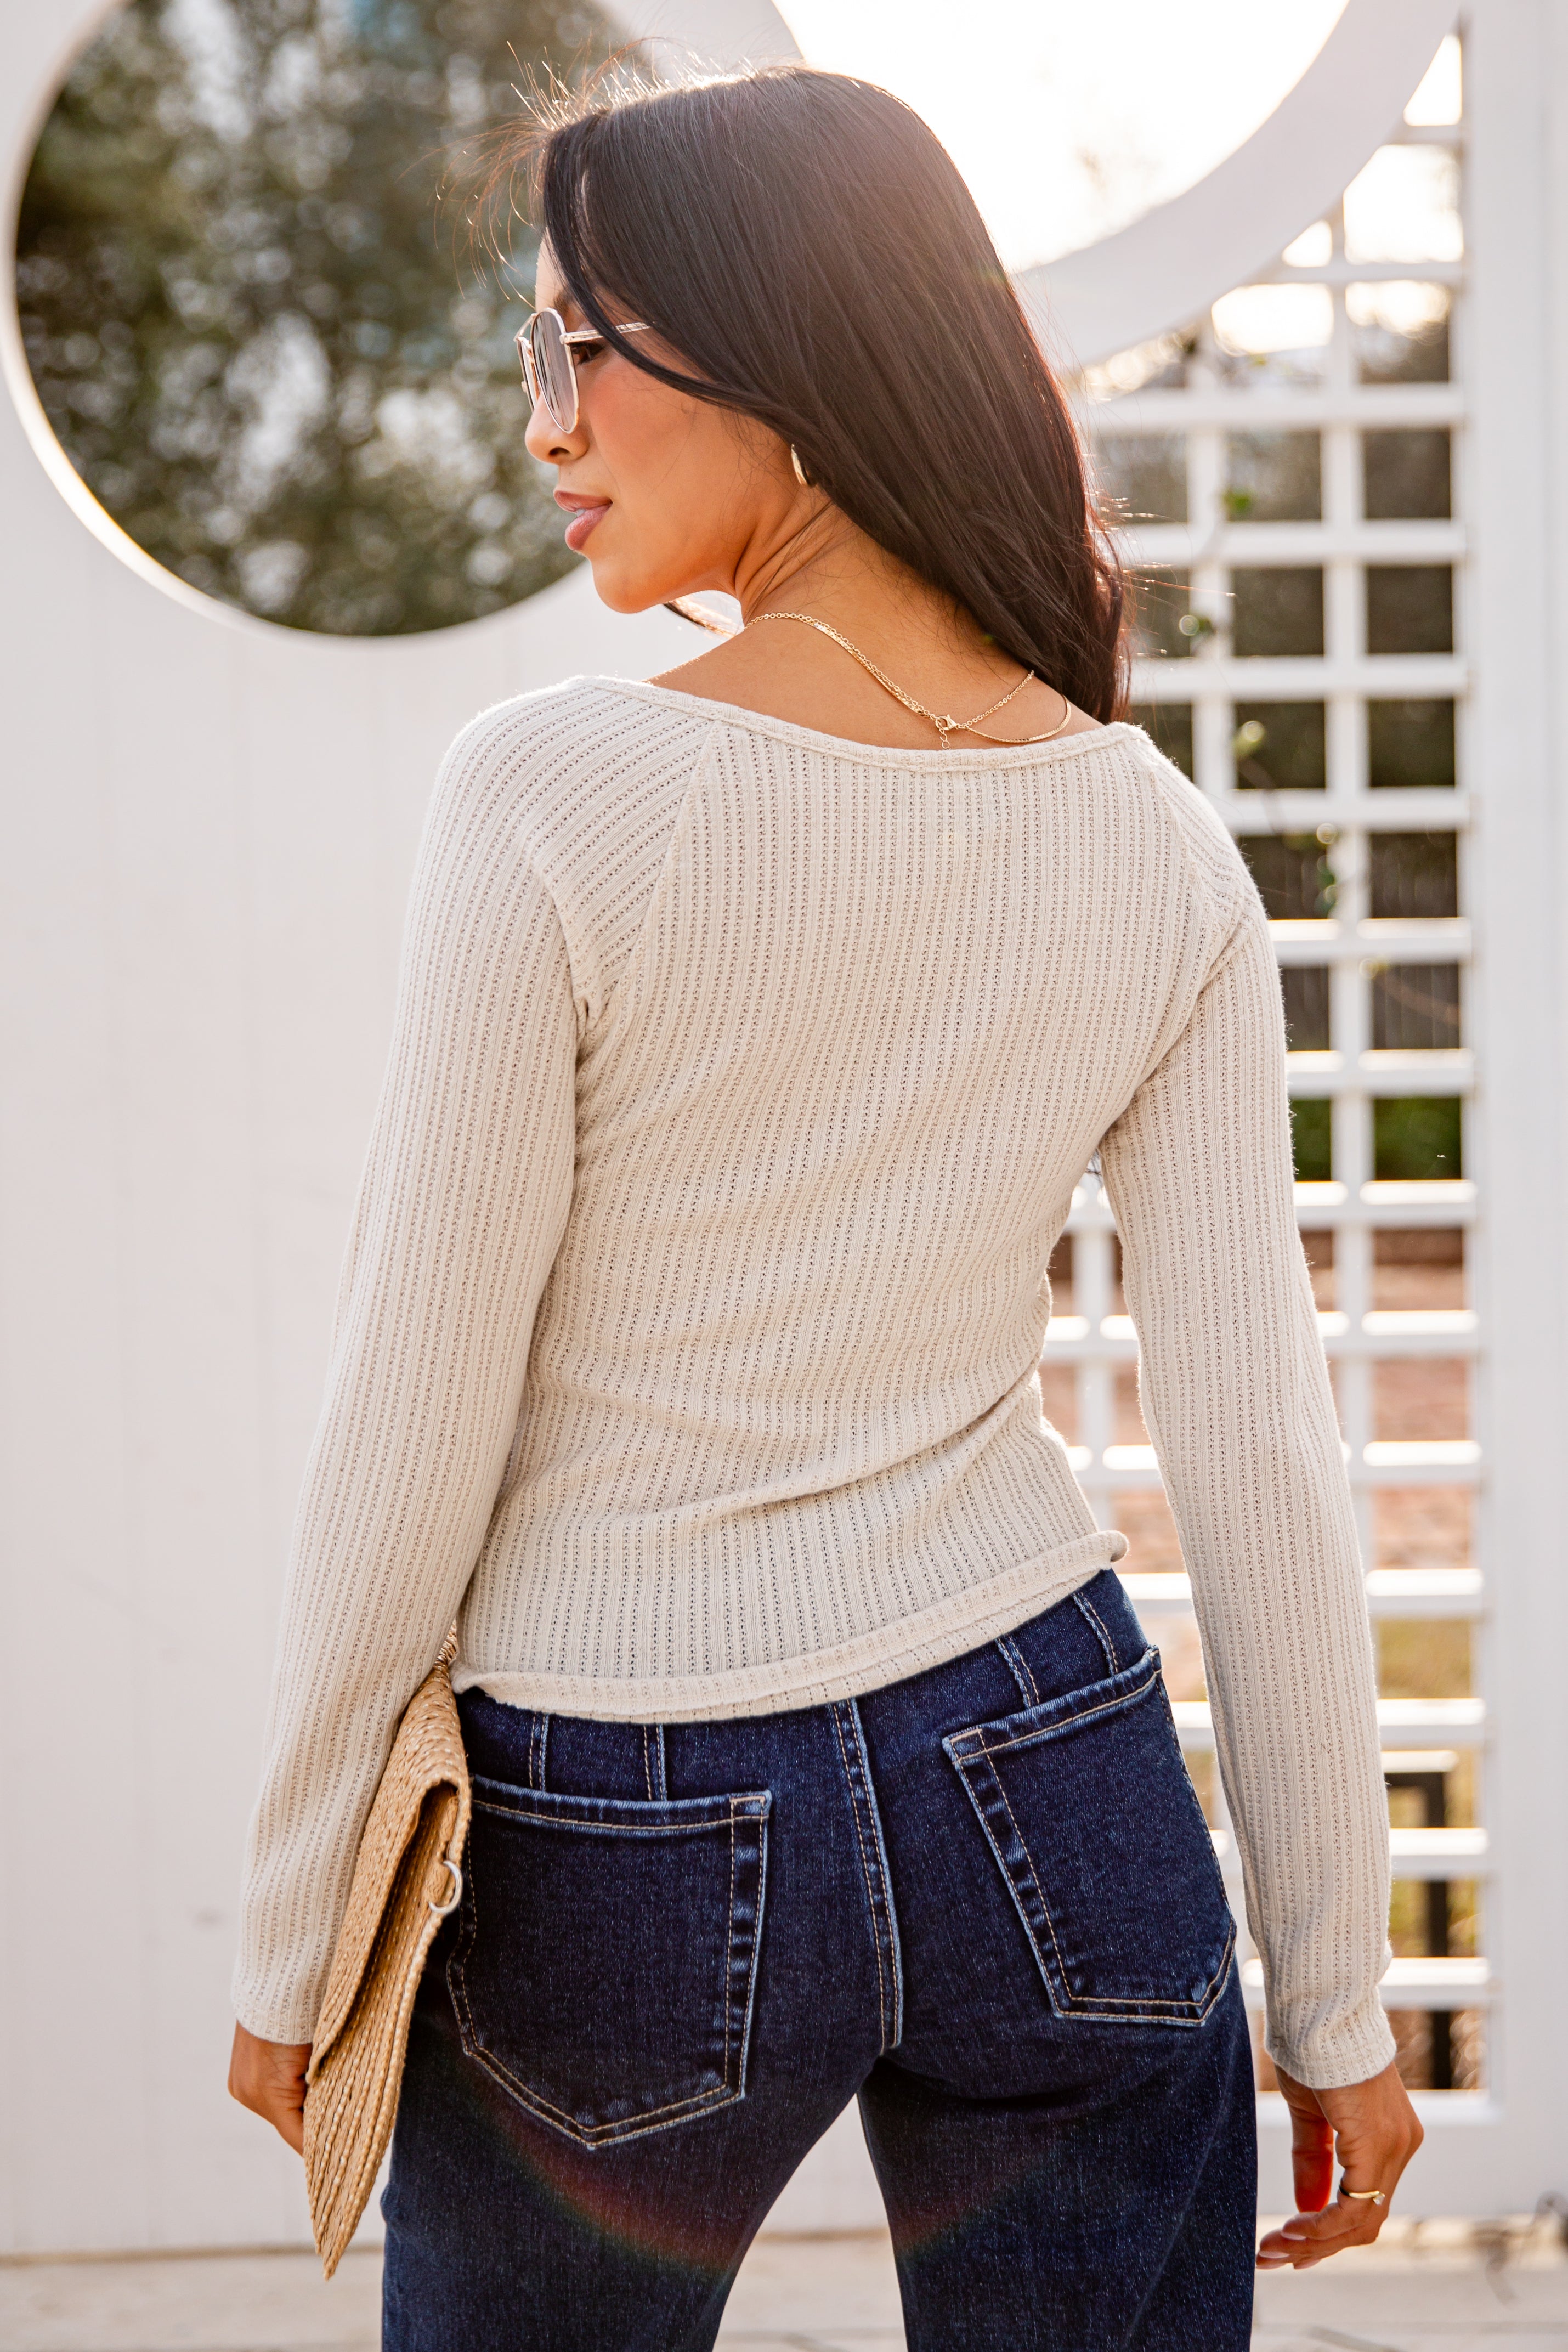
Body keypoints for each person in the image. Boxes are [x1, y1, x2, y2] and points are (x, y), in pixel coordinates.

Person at [228, 63, 1420, 2349]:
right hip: (1053, 1770)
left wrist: (304, 1933)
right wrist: (1339, 2005)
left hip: (620, 1824)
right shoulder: (1155, 837)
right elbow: (1262, 1464)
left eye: (580, 344)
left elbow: (413, 1406)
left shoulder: (560, 792)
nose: (543, 418)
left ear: (769, 354)